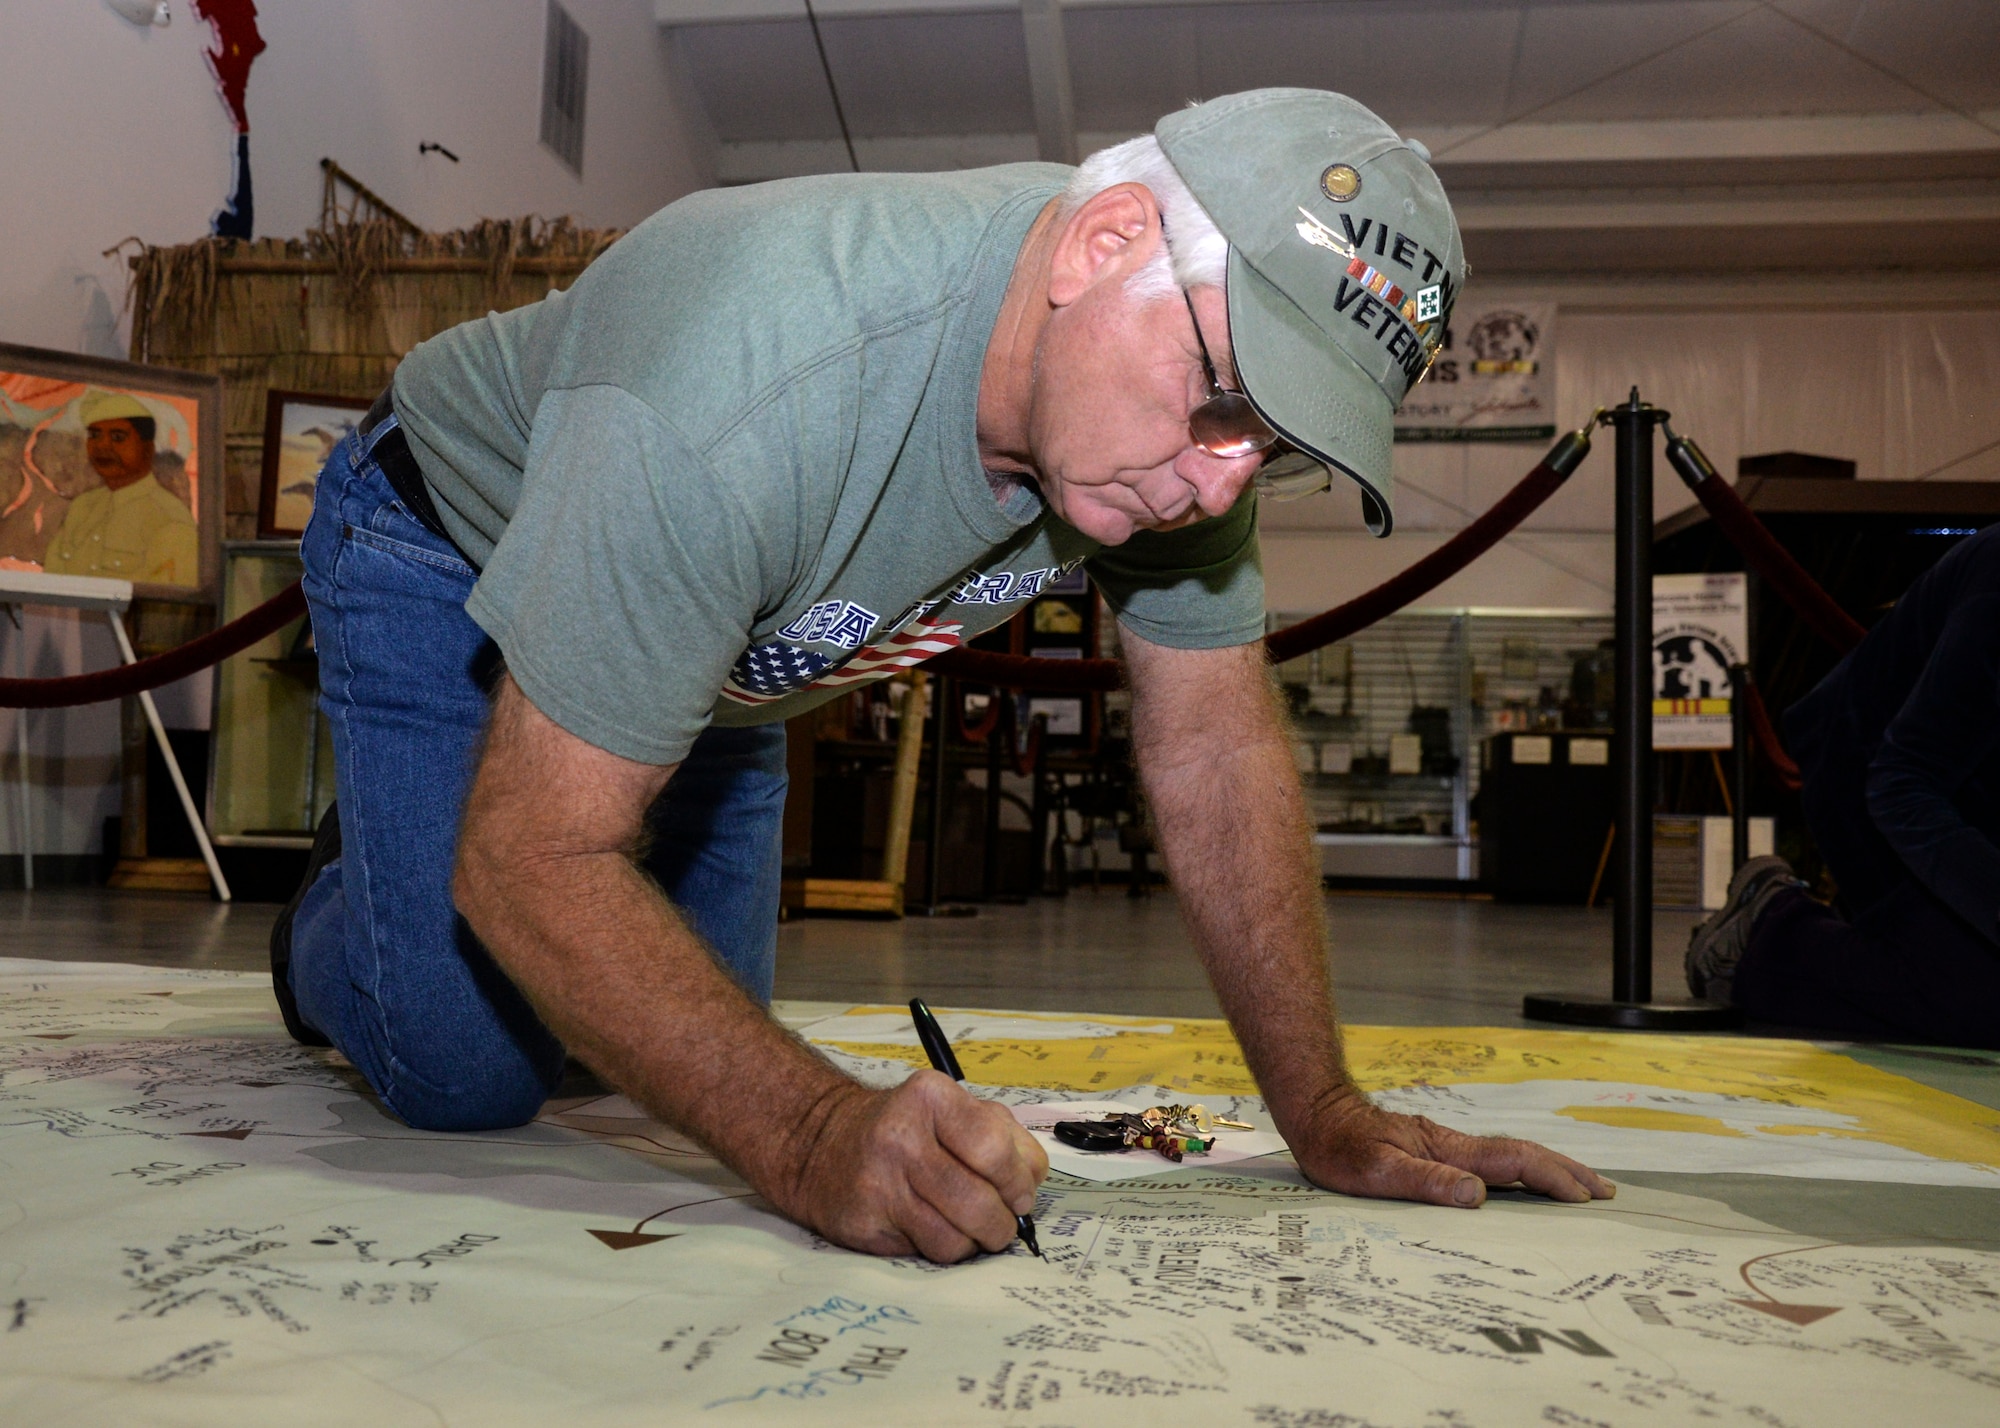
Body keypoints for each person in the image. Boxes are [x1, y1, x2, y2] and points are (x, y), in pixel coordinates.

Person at [272, 88, 1614, 1265]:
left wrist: (1321, 1109)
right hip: (445, 540)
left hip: (732, 653)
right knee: (472, 1064)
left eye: (1276, 447)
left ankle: (467, 817)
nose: (1220, 484)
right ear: (1104, 245)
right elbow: (533, 864)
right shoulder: (746, 377)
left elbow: (1215, 750)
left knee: (640, 1045)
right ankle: (346, 910)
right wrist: (809, 1136)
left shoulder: (1185, 425)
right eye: (1224, 406)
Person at [1687, 523, 2000, 1050]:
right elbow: (1902, 781)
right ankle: (1770, 930)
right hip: (1865, 778)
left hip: (1965, 794)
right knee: (1982, 1004)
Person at [42, 391, 199, 585]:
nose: (102, 446)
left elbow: (173, 606)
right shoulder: (82, 507)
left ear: (147, 450)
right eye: (94, 435)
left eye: (118, 437)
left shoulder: (170, 520)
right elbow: (51, 580)